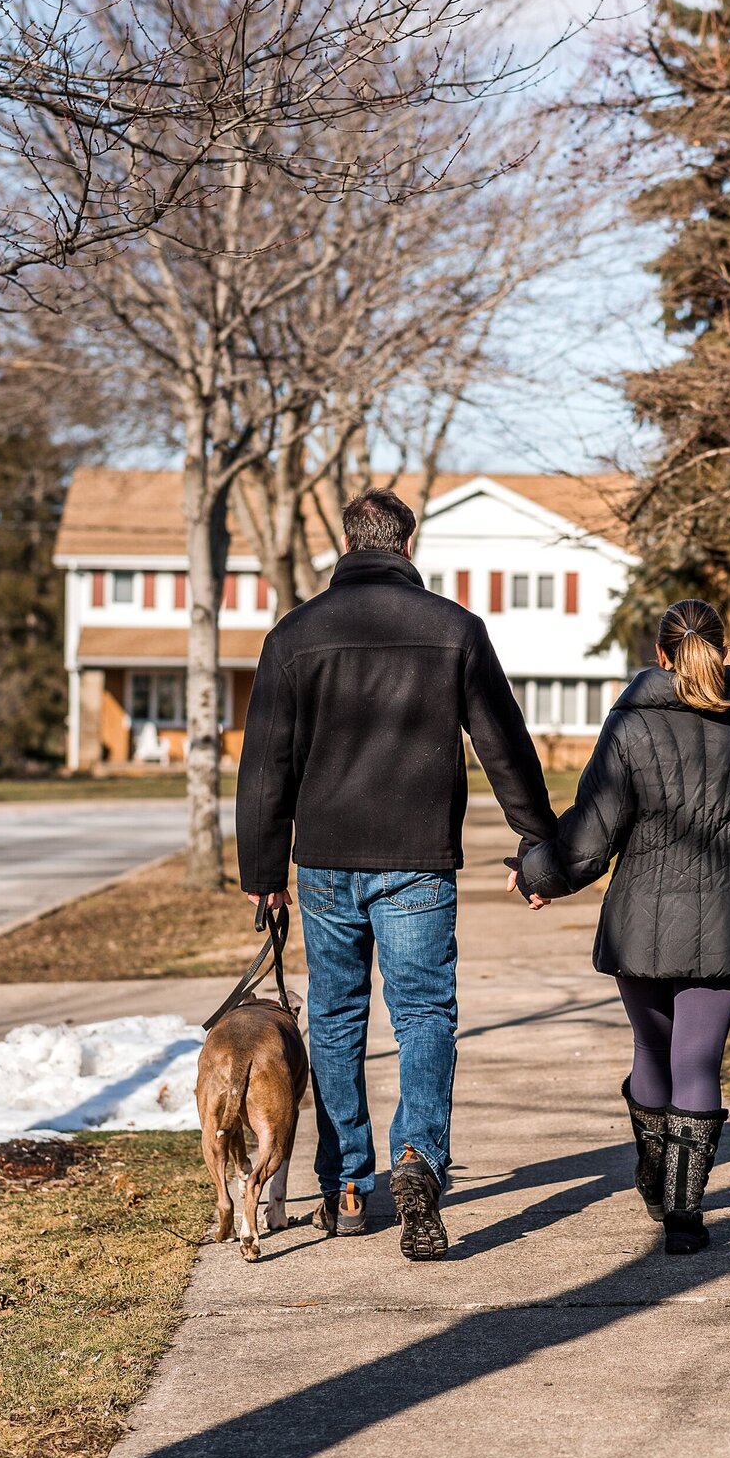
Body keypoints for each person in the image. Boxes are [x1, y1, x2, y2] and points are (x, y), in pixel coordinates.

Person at [237, 487, 557, 1261]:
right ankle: (417, 1158)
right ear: (406, 546)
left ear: (346, 545)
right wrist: (540, 845)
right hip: (417, 861)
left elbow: (264, 762)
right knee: (422, 1016)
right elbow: (503, 748)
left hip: (324, 859)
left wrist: (261, 868)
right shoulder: (454, 630)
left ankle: (348, 1186)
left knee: (339, 1020)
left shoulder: (294, 634)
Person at [511, 598, 730, 1256]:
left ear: (660, 655)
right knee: (698, 1062)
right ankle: (684, 1216)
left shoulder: (630, 728)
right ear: (721, 653)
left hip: (641, 923)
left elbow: (588, 843)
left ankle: (655, 1175)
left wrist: (536, 874)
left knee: (654, 1053)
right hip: (726, 919)